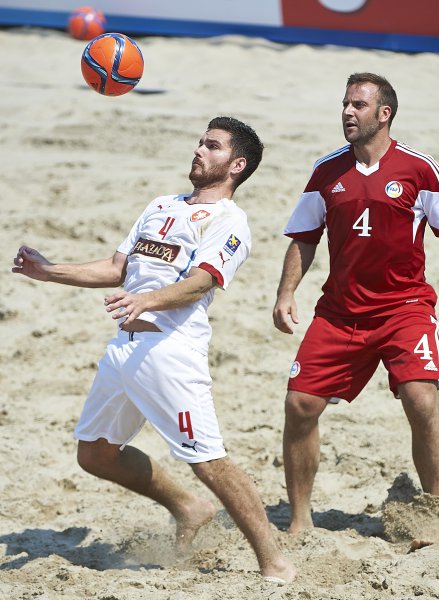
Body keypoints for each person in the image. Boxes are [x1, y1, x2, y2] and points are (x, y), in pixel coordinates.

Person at [13, 116, 295, 583]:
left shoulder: (230, 221)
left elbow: (201, 282)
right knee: (95, 454)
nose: (199, 150)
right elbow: (117, 267)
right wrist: (51, 271)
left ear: (236, 165)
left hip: (170, 351)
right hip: (124, 346)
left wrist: (147, 299)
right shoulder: (161, 205)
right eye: (200, 142)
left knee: (207, 459)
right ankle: (188, 507)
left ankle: (274, 560)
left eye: (213, 146)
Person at [272, 73, 439, 543]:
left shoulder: (421, 168)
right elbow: (304, 238)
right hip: (341, 311)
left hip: (404, 308)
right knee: (299, 405)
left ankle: (436, 511)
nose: (347, 112)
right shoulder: (326, 171)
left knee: (421, 398)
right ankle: (301, 521)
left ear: (383, 114)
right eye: (345, 104)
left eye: (358, 105)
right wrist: (286, 293)